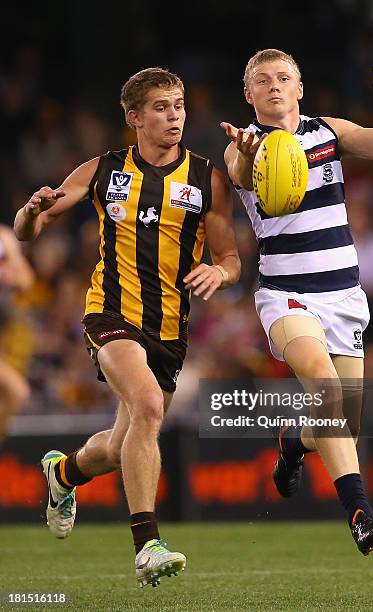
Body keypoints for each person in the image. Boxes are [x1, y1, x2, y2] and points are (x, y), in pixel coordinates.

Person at [14, 67, 241, 588]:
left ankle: (64, 473)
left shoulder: (206, 178)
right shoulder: (103, 170)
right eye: (162, 107)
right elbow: (32, 229)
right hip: (110, 313)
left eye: (179, 105)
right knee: (148, 406)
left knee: (124, 447)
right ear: (135, 118)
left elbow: (229, 257)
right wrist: (30, 213)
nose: (175, 115)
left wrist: (220, 271)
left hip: (168, 329)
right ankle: (147, 545)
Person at [221, 49, 373, 555]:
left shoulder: (328, 132)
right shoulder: (245, 146)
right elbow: (242, 175)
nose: (274, 86)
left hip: (344, 296)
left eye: (284, 77)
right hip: (286, 295)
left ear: (299, 87)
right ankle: (360, 513)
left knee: (344, 420)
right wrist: (246, 153)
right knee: (325, 387)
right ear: (249, 95)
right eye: (262, 81)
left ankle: (295, 443)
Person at [0, 224, 34, 446]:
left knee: (14, 394)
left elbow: (25, 281)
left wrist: (11, 259)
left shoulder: (3, 237)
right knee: (17, 391)